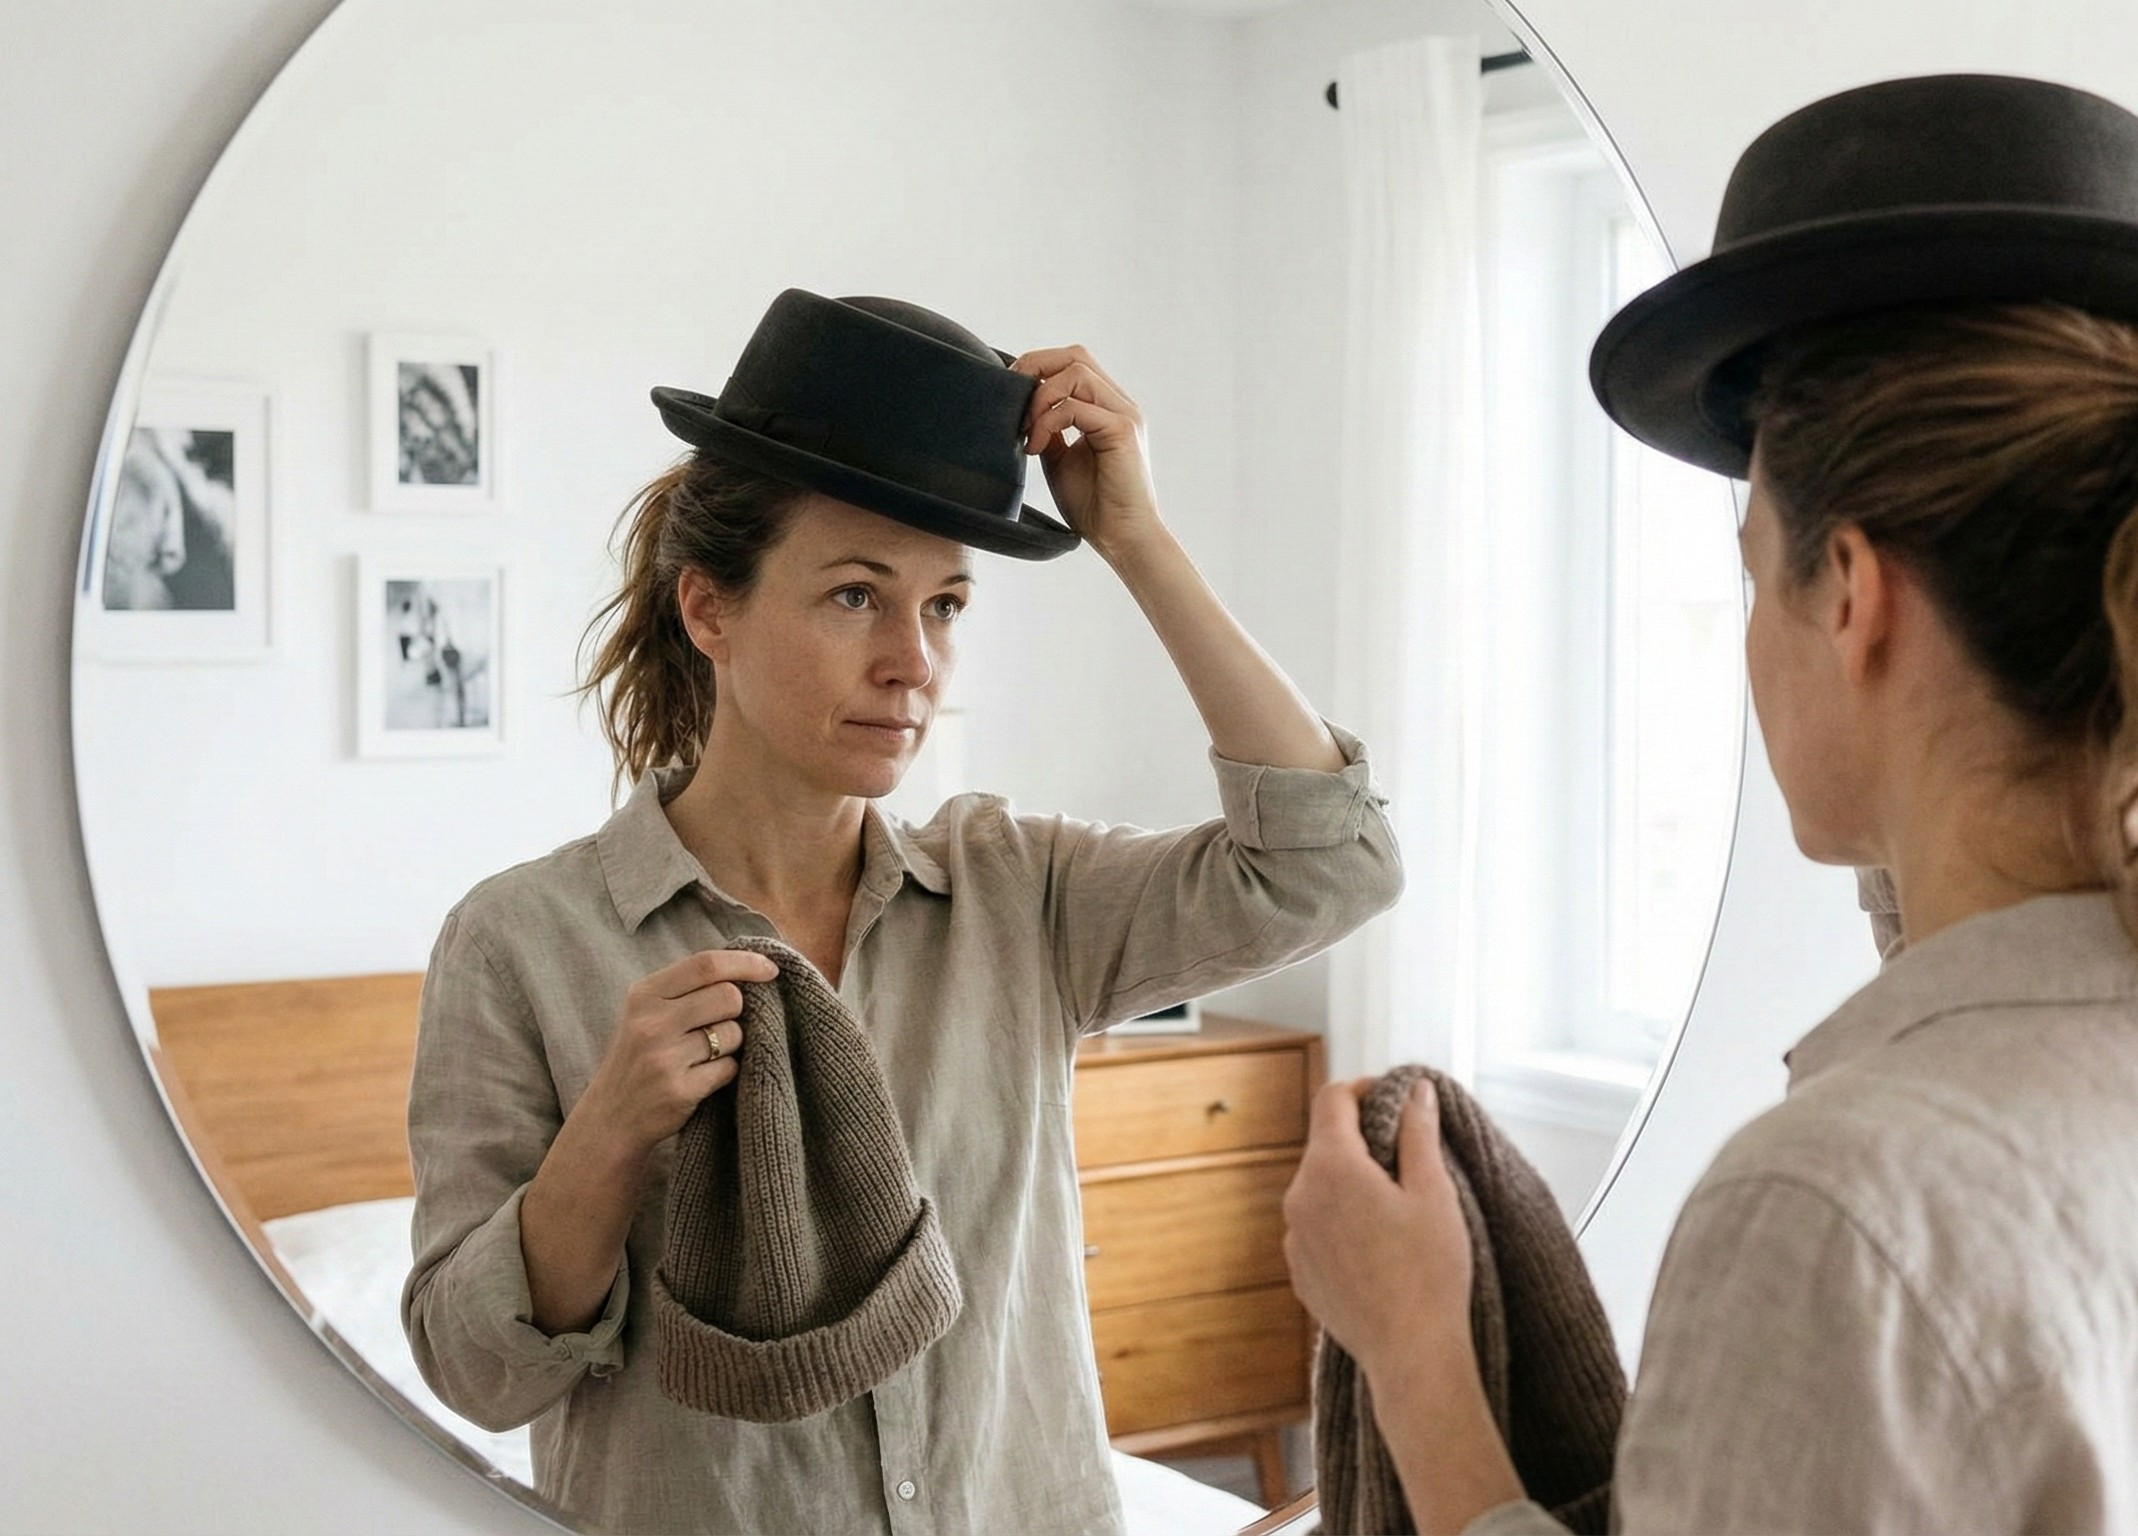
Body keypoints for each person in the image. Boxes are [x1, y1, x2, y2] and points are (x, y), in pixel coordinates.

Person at [1282, 75, 2138, 1535]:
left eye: (1751, 572)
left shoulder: (1840, 1214)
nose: (1744, 639)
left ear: (1849, 594)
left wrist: (1417, 1356)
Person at [401, 291, 1402, 1534]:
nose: (912, 663)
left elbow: (1328, 865)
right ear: (709, 608)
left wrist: (1136, 537)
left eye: (944, 606)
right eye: (854, 597)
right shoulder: (521, 943)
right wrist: (607, 1131)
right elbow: (475, 1372)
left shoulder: (1017, 892)